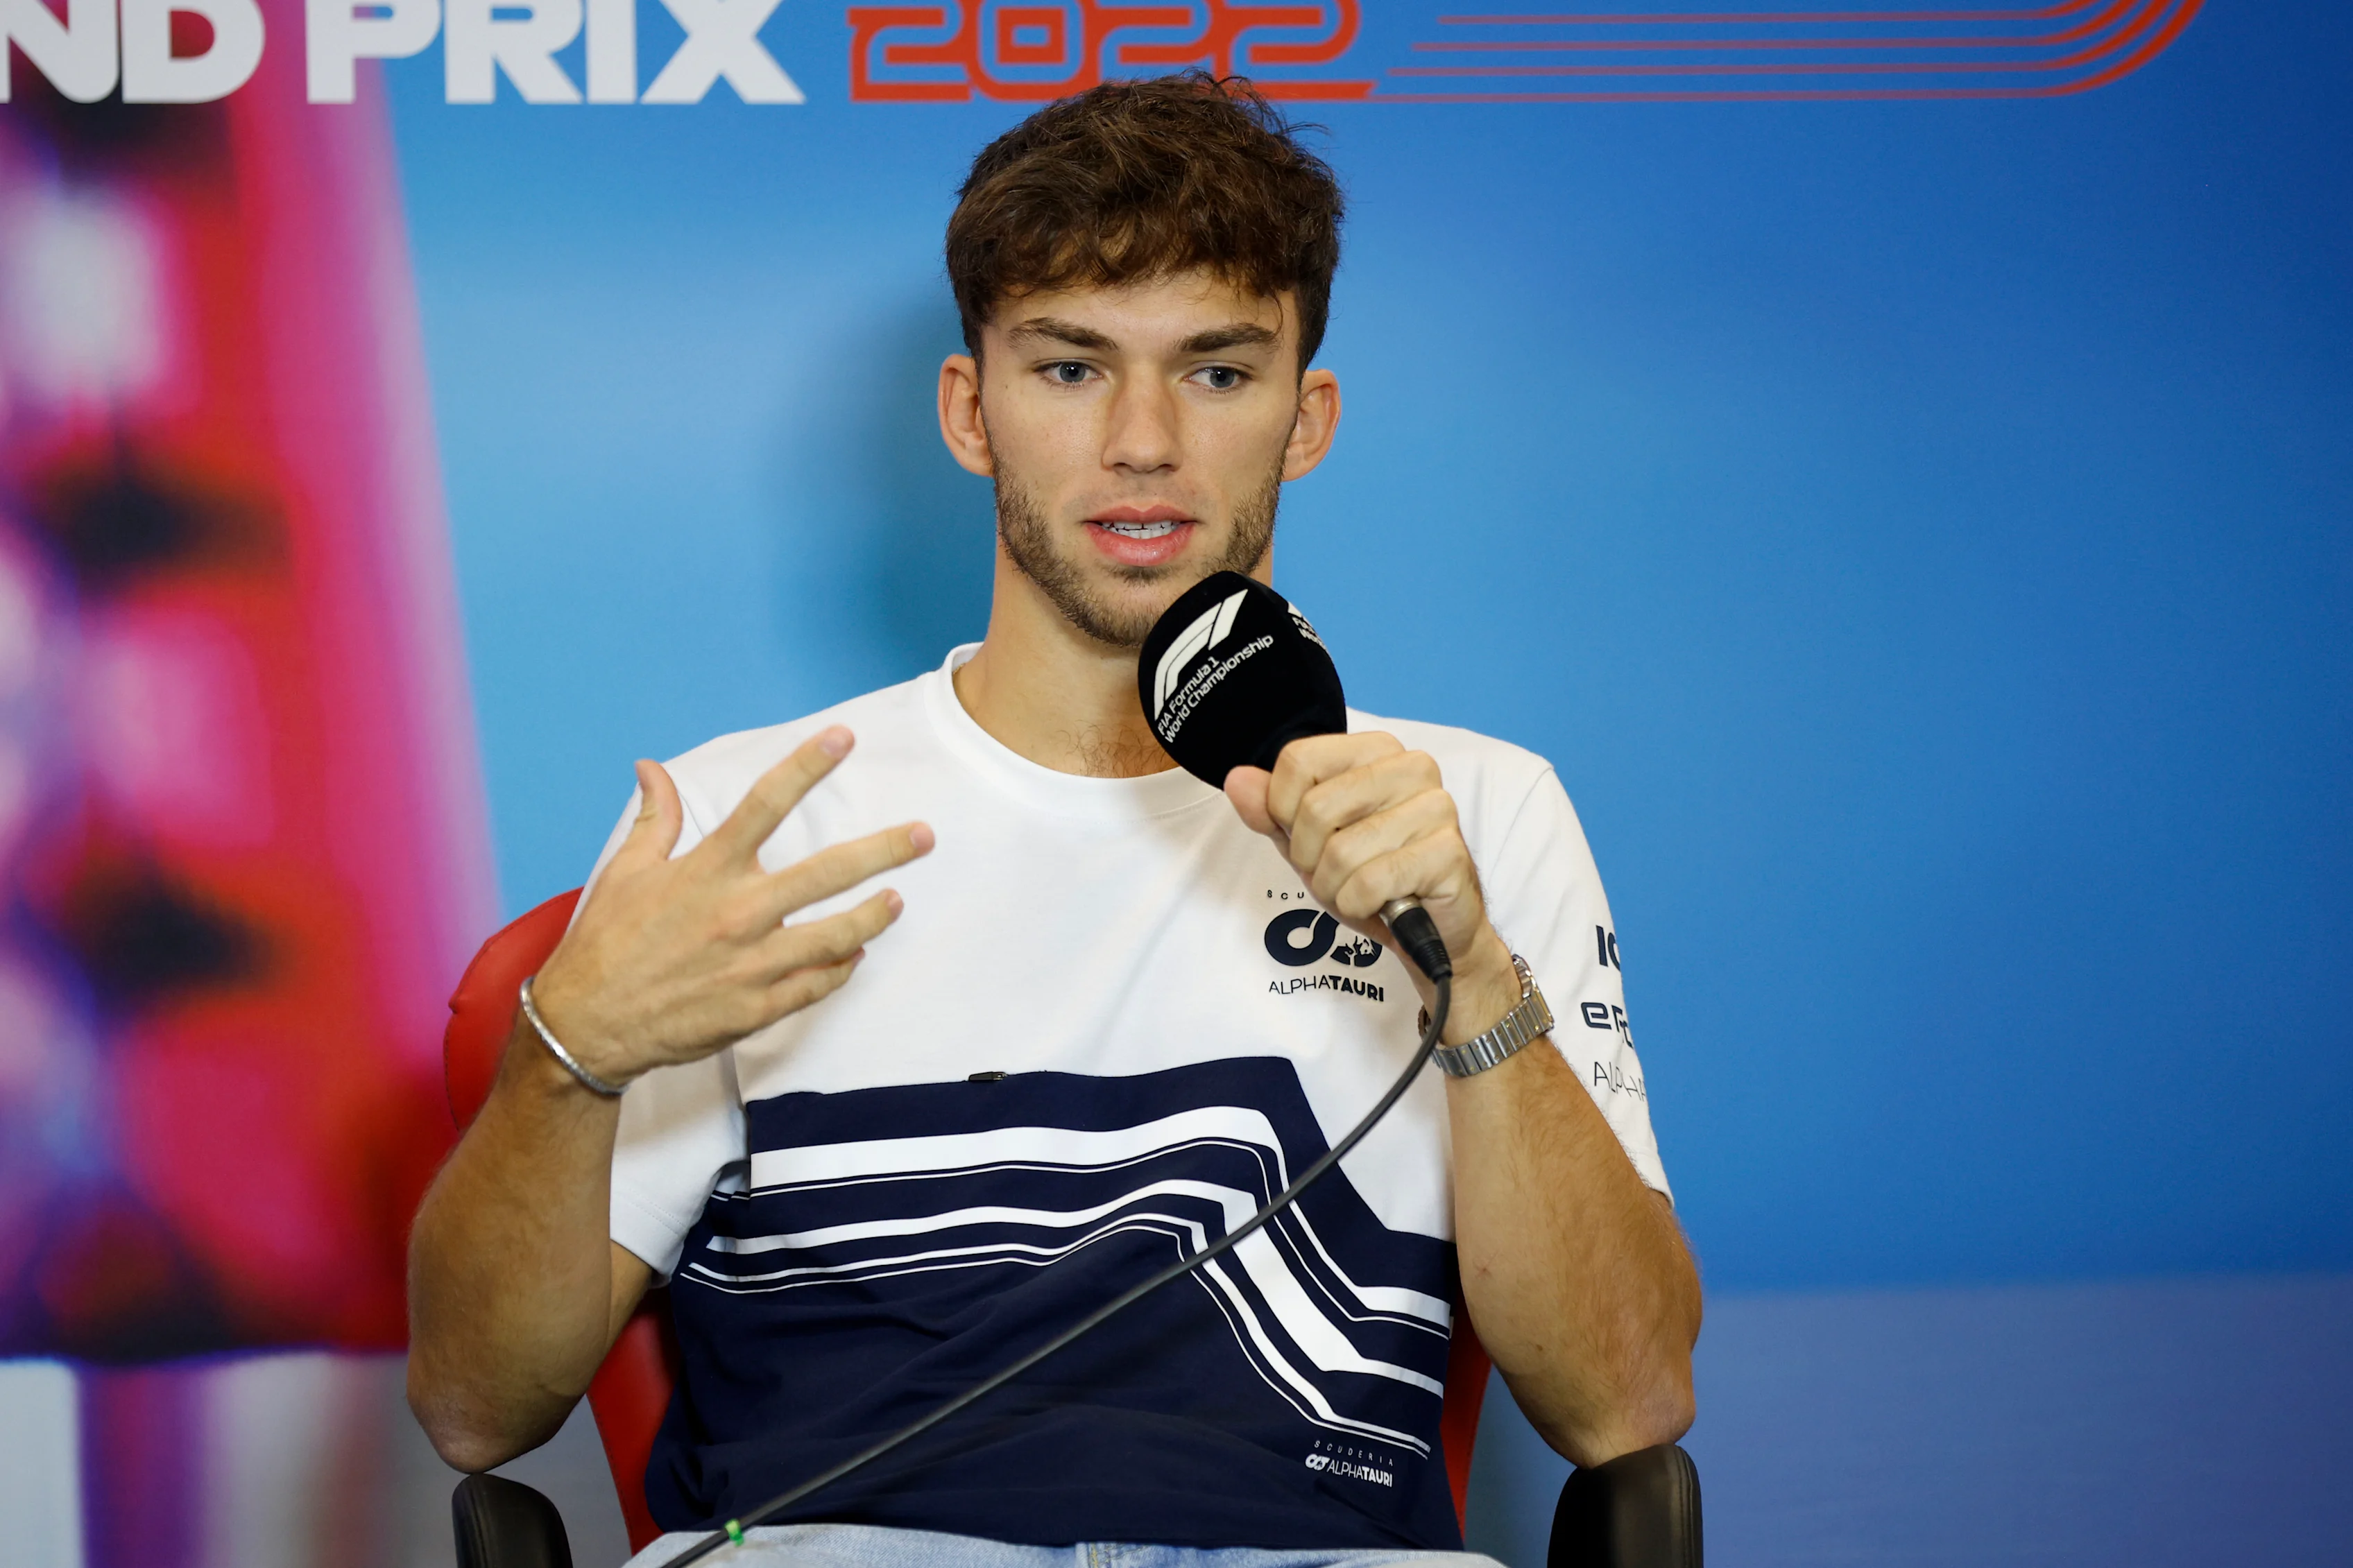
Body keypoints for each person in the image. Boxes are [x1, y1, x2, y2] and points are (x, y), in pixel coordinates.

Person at [407, 72, 1700, 1568]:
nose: (1142, 441)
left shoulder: (1470, 811)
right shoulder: (742, 818)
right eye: (1071, 368)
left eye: (1217, 372)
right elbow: (476, 1411)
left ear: (1308, 416)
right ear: (971, 410)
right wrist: (566, 1058)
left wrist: (1469, 966)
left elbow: (1627, 1403)